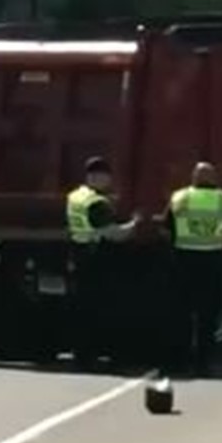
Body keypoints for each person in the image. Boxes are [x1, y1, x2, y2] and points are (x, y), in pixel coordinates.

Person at [161, 162, 222, 377]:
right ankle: (204, 363)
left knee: (181, 315)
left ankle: (179, 361)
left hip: (184, 262)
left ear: (194, 177)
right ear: (214, 178)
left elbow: (166, 230)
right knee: (208, 316)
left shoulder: (180, 198)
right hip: (213, 262)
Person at [66, 156, 139, 369]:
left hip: (78, 255)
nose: (109, 181)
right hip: (95, 259)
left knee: (81, 308)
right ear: (99, 177)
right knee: (102, 309)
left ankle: (81, 355)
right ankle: (100, 355)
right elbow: (115, 234)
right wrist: (134, 224)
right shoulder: (97, 203)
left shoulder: (75, 197)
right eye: (107, 176)